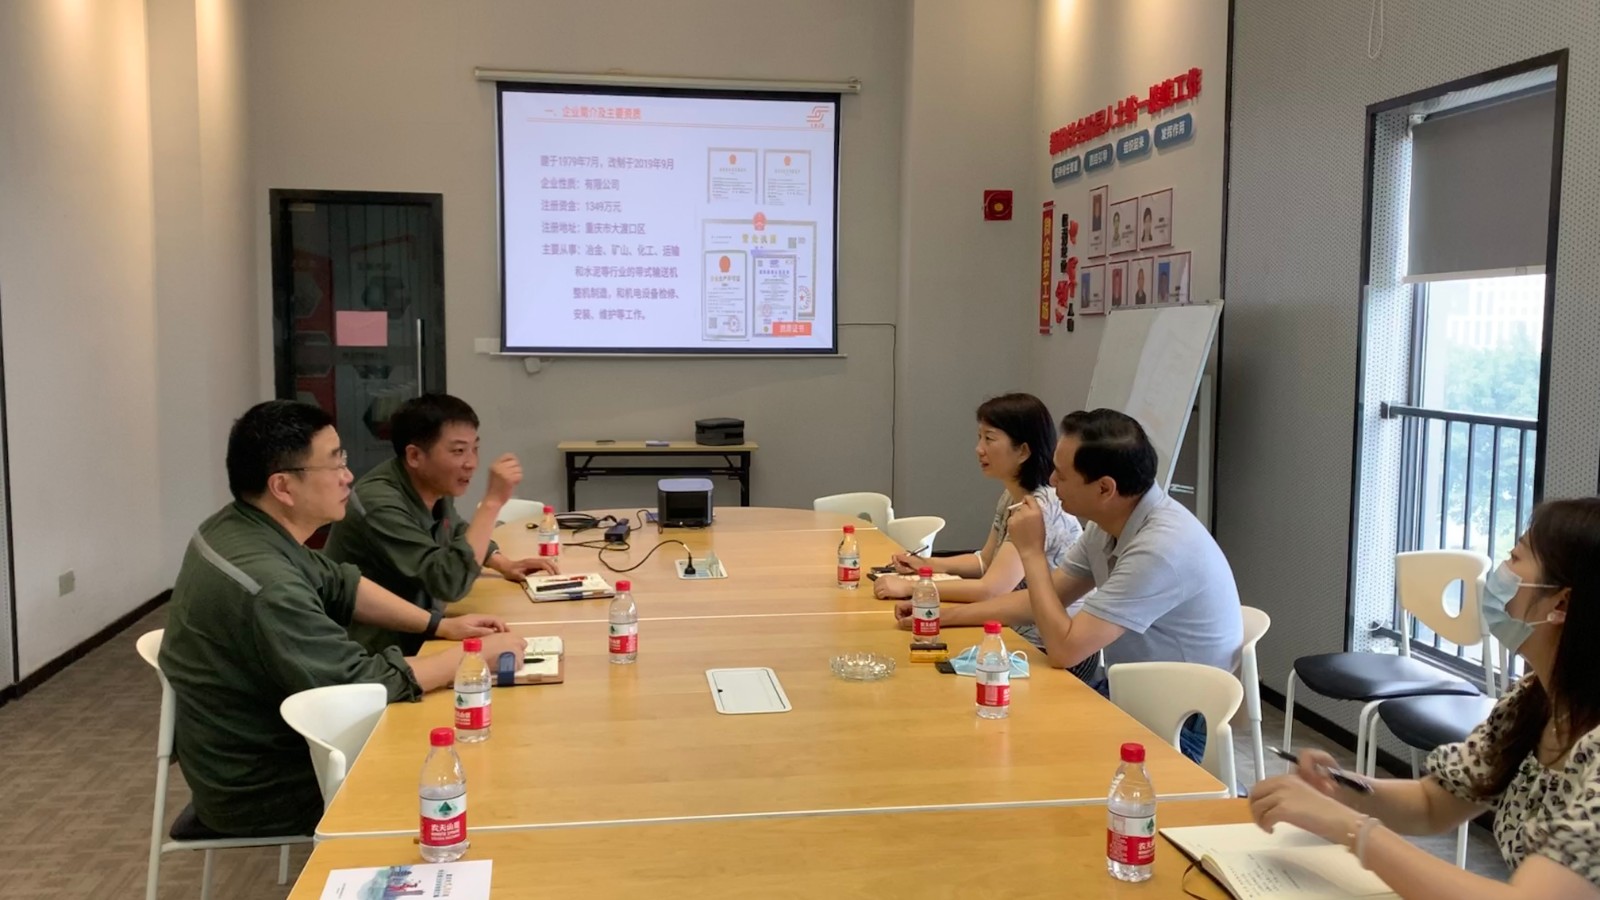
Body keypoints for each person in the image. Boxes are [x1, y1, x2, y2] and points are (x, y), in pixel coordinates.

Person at [159, 400, 524, 837]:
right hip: (264, 785)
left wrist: (439, 627)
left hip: (263, 746)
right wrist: (470, 659)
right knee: (472, 769)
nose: (348, 476)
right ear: (283, 486)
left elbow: (342, 583)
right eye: (333, 464)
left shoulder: (240, 526)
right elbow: (361, 684)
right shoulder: (269, 584)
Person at [1252, 499, 1600, 897]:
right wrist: (1340, 788)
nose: (1499, 573)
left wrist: (1351, 829)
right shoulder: (1533, 701)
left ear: (1561, 604)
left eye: (1515, 558)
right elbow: (1434, 803)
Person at [895, 409, 1241, 758]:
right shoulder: (1108, 523)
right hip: (1130, 696)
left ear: (1105, 488)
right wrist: (941, 616)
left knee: (1015, 747)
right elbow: (1039, 600)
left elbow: (1065, 651)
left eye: (1061, 474)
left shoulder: (1160, 548)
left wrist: (1032, 552)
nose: (1051, 480)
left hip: (1178, 726)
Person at [324, 394, 557, 654]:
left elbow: (456, 530)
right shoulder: (379, 502)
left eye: (475, 449)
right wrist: (492, 503)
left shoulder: (431, 485)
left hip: (419, 632)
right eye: (458, 451)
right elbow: (449, 583)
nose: (471, 463)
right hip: (374, 652)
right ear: (414, 456)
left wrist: (504, 564)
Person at [873, 394, 1085, 672]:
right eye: (979, 437)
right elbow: (985, 560)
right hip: (1013, 632)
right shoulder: (1011, 497)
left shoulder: (1039, 509)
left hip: (1043, 647)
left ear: (1023, 451)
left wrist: (912, 589)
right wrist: (927, 565)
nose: (979, 449)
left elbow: (991, 590)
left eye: (989, 439)